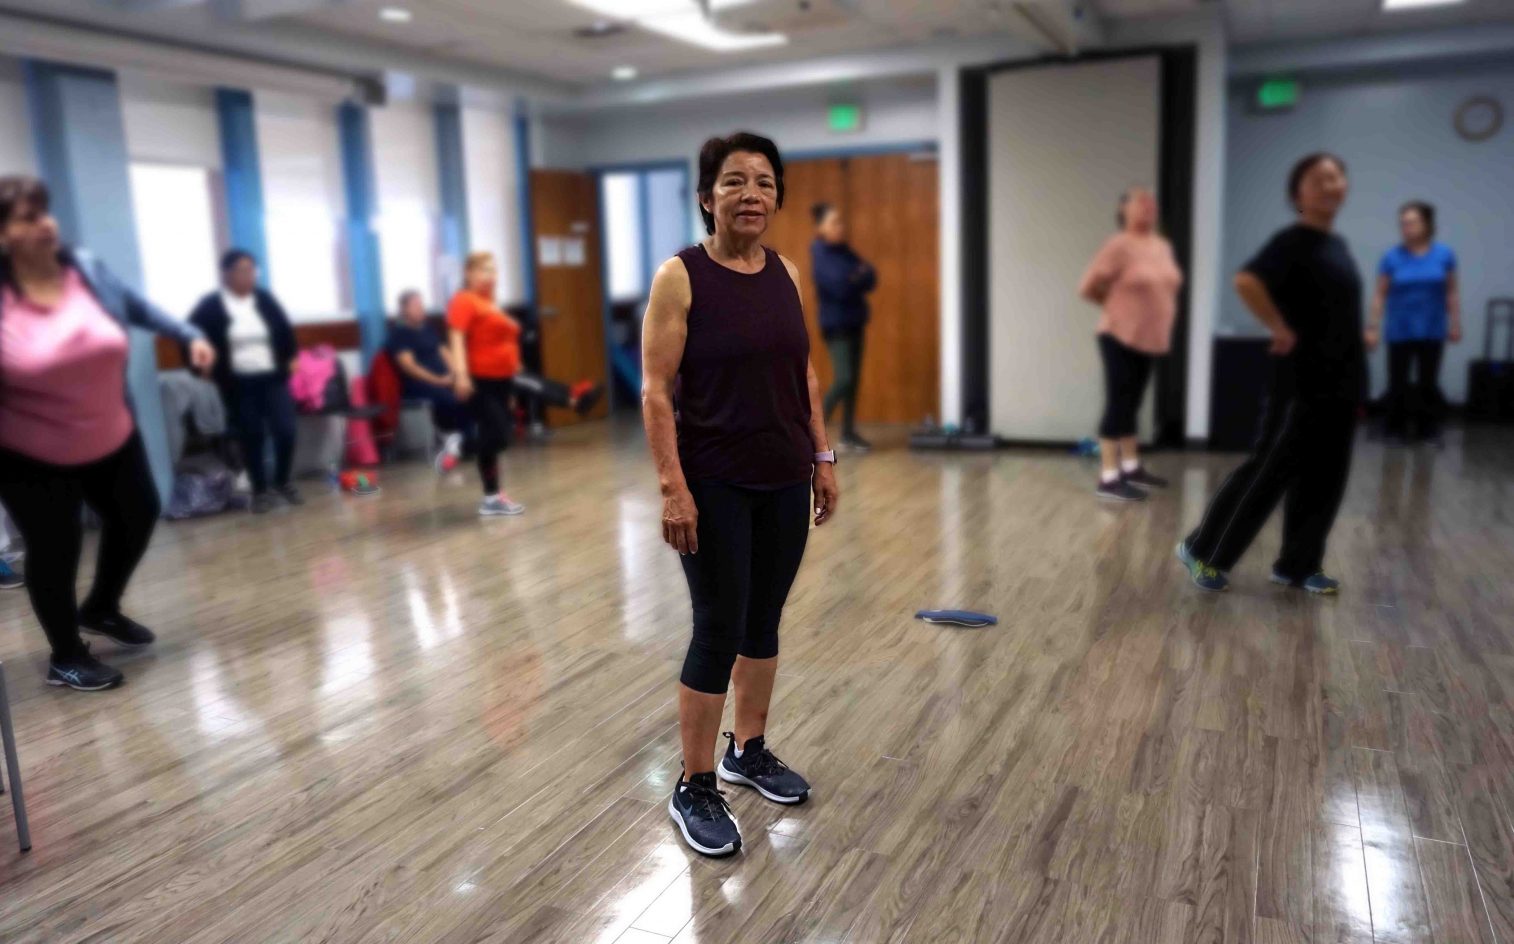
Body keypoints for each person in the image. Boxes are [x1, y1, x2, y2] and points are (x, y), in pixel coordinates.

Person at [642, 132, 840, 858]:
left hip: (784, 473)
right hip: (714, 479)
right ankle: (694, 784)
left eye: (763, 182)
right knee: (718, 625)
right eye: (734, 181)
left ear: (777, 197)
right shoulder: (680, 276)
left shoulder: (786, 271)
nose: (751, 194)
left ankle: (746, 750)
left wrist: (821, 456)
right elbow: (655, 389)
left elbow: (804, 373)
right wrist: (673, 488)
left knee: (763, 619)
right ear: (707, 198)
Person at [0, 174, 216, 690]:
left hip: (110, 433)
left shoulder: (84, 269)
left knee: (138, 512)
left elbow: (137, 306)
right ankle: (66, 655)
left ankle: (100, 607)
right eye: (28, 218)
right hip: (30, 451)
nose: (46, 224)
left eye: (44, 212)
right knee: (56, 547)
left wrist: (187, 333)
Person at [1177, 153, 1363, 595]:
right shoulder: (1292, 241)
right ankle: (1203, 551)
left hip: (1342, 381)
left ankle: (1298, 565)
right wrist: (1278, 327)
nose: (1331, 185)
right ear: (1298, 193)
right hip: (1301, 379)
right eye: (1319, 179)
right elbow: (1247, 281)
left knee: (1325, 476)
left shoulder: (1337, 246)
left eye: (1336, 177)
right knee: (1269, 469)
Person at [447, 251, 602, 516]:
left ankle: (487, 489)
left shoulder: (490, 303)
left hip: (504, 378)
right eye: (483, 270)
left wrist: (513, 368)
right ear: (468, 273)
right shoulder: (465, 300)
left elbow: (502, 341)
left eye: (492, 270)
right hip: (479, 380)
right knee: (497, 435)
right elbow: (457, 337)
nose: (489, 275)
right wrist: (460, 374)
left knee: (498, 435)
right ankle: (466, 456)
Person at [1077, 186, 1184, 502]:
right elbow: (1088, 287)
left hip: (1148, 339)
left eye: (1151, 201)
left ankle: (1132, 467)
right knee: (1118, 403)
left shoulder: (1161, 246)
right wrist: (1116, 310)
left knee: (1132, 404)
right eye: (1140, 202)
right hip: (1118, 336)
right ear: (1123, 211)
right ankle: (1109, 478)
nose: (1148, 205)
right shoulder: (1118, 245)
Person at [188, 250, 300, 514]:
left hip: (272, 377)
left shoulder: (265, 299)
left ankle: (282, 481)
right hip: (238, 382)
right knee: (252, 435)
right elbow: (191, 337)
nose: (248, 275)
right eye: (242, 270)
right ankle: (260, 491)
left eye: (252, 270)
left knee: (286, 429)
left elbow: (286, 332)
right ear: (226, 274)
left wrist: (292, 357)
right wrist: (202, 369)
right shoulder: (210, 306)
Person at [1366, 201, 1461, 445]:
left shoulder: (1444, 255)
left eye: (1411, 222)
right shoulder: (1391, 257)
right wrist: (1372, 327)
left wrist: (1455, 323)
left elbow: (1451, 292)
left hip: (1432, 328)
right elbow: (1380, 295)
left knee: (1428, 381)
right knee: (1397, 381)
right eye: (1403, 223)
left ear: (1427, 224)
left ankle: (1427, 430)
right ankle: (1394, 429)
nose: (1406, 227)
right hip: (1400, 329)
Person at [810, 203, 876, 452]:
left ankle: (847, 434)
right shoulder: (820, 254)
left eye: (840, 222)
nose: (840, 227)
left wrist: (855, 277)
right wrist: (856, 276)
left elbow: (871, 275)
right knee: (844, 378)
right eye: (834, 223)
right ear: (821, 228)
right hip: (836, 326)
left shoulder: (846, 252)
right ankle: (811, 432)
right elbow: (840, 287)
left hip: (856, 321)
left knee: (853, 382)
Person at [386, 289, 468, 471]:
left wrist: (457, 375)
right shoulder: (400, 334)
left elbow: (445, 353)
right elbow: (410, 367)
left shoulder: (428, 329)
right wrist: (438, 380)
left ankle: (467, 442)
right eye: (416, 305)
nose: (421, 308)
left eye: (421, 304)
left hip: (444, 379)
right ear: (404, 309)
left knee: (467, 392)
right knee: (448, 399)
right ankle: (450, 438)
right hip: (418, 384)